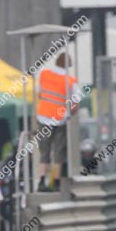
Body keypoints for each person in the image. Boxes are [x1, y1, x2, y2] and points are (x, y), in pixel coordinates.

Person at [37, 52, 80, 192]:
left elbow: (39, 94)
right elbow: (75, 103)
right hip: (60, 120)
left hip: (43, 117)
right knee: (59, 151)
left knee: (44, 151)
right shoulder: (70, 81)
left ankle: (42, 180)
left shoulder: (44, 75)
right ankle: (55, 182)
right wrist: (71, 113)